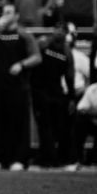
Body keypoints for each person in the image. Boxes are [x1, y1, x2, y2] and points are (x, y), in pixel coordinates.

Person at [0, 6, 42, 171]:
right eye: (3, 13)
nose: (5, 16)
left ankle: (19, 159)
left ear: (16, 16)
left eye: (8, 13)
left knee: (19, 124)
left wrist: (21, 64)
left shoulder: (24, 34)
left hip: (18, 86)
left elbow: (36, 57)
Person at [31, 21, 77, 169]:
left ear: (66, 33)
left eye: (62, 30)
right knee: (43, 126)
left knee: (56, 127)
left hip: (56, 91)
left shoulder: (66, 51)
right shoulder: (43, 43)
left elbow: (70, 76)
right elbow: (32, 58)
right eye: (56, 28)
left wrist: (71, 97)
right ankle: (46, 158)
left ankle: (55, 158)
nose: (58, 32)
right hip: (39, 88)